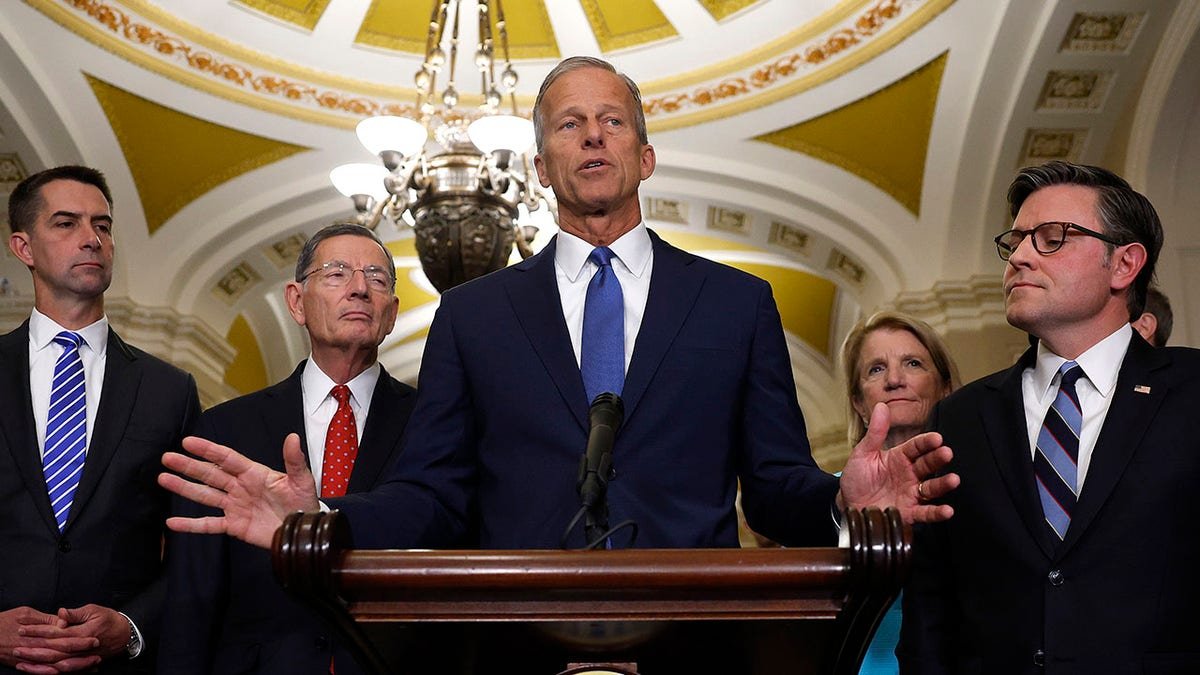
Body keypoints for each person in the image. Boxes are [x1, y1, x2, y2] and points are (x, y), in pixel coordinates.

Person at [158, 56, 956, 554]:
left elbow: (777, 485)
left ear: (645, 155)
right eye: (570, 126)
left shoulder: (737, 303)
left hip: (696, 628)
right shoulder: (473, 316)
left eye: (613, 122)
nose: (593, 138)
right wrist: (323, 517)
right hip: (516, 631)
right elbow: (434, 498)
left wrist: (844, 499)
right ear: (540, 165)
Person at [899, 161, 1199, 673]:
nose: (1018, 257)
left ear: (1124, 265)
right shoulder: (961, 418)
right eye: (1014, 241)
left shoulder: (1192, 393)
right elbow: (932, 610)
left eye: (1052, 237)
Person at [157, 223, 416, 673]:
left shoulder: (433, 424)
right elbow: (191, 601)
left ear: (391, 314)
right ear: (297, 302)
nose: (359, 289)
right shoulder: (224, 431)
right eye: (337, 274)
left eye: (376, 278)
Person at [0, 166, 199, 673]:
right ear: (23, 248)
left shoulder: (168, 390)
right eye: (66, 224)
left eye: (103, 226)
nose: (91, 239)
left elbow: (195, 544)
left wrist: (132, 625)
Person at [840, 312, 960, 675]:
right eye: (876, 369)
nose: (894, 380)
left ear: (944, 388)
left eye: (913, 363)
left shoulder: (977, 485)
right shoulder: (832, 497)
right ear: (860, 403)